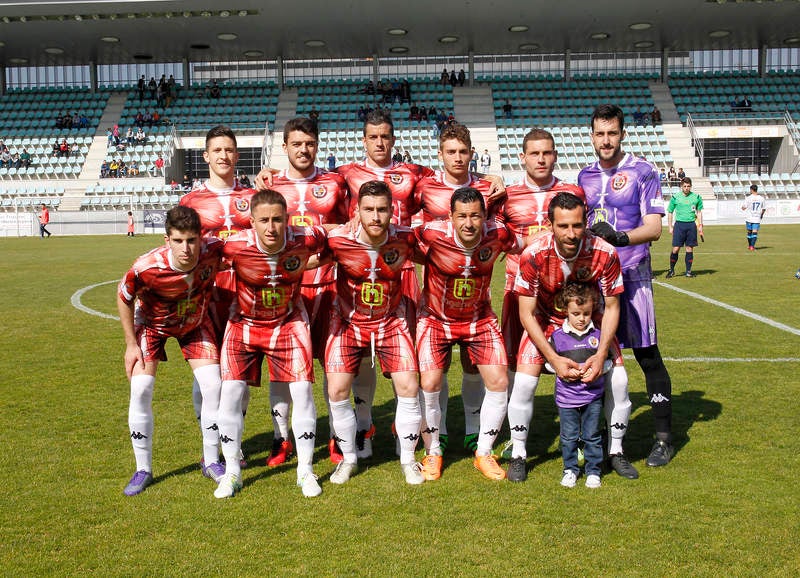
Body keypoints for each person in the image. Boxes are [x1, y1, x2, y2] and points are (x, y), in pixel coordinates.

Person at [578, 103, 674, 472]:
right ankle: (602, 442)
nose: (606, 140)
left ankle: (664, 439)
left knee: (648, 356)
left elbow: (653, 228)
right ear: (592, 136)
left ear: (622, 133)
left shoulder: (643, 171)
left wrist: (618, 237)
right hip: (598, 283)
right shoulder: (584, 175)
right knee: (597, 358)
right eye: (600, 134)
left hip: (633, 277)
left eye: (612, 133)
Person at [215, 190, 326, 498]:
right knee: (232, 394)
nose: (271, 227)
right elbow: (202, 255)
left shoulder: (304, 237)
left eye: (278, 219)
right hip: (244, 323)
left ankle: (305, 470)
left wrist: (311, 260)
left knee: (302, 390)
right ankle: (232, 473)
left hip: (288, 322)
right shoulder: (234, 245)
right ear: (252, 222)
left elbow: (330, 238)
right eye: (263, 220)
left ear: (287, 219)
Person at [512, 192, 624, 483]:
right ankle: (519, 455)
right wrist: (553, 357)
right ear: (550, 225)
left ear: (586, 221)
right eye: (563, 226)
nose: (571, 233)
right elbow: (526, 313)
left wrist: (600, 355)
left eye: (577, 225)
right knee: (523, 383)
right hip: (545, 321)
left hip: (590, 322)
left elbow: (612, 307)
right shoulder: (533, 254)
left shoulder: (605, 252)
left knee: (620, 381)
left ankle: (616, 452)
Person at [416, 187, 521, 481]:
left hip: (479, 318)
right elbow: (396, 240)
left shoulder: (497, 234)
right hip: (436, 319)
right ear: (451, 217)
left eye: (475, 215)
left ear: (485, 216)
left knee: (499, 380)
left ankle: (483, 452)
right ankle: (433, 451)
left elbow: (524, 241)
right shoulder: (431, 233)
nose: (469, 223)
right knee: (431, 381)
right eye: (462, 216)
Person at [117, 206, 224, 496]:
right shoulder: (145, 267)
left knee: (214, 387)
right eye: (178, 241)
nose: (186, 248)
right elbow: (123, 296)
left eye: (191, 240)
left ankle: (212, 461)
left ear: (201, 238)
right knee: (141, 389)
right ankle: (143, 469)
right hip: (152, 326)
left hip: (194, 325)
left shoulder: (214, 250)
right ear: (167, 240)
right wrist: (130, 344)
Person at [413, 122, 506, 454]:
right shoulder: (423, 187)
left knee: (472, 365)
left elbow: (503, 230)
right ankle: (432, 435)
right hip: (436, 292)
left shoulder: (488, 189)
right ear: (440, 154)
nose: (457, 158)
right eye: (450, 152)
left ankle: (472, 428)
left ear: (471, 154)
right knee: (435, 371)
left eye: (462, 152)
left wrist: (499, 181)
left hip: (476, 295)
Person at [324, 181, 424, 485]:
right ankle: (349, 459)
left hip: (390, 322)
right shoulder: (338, 240)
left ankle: (408, 459)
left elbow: (436, 253)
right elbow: (304, 253)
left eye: (382, 209)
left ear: (393, 212)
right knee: (337, 390)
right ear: (357, 211)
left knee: (409, 385)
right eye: (369, 209)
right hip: (347, 322)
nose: (376, 216)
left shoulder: (405, 239)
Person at [263, 117, 350, 467]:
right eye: (296, 144)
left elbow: (346, 229)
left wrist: (324, 230)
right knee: (282, 369)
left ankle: (336, 437)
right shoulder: (270, 188)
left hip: (329, 286)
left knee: (332, 366)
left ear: (317, 145)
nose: (304, 149)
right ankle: (280, 438)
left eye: (310, 143)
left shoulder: (335, 183)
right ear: (284, 146)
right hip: (287, 291)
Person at [500, 129, 585, 481]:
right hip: (517, 290)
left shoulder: (571, 193)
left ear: (555, 155)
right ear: (522, 157)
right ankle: (514, 438)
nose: (540, 159)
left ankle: (579, 436)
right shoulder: (504, 195)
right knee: (512, 366)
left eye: (547, 153)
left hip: (563, 296)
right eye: (534, 153)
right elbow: (497, 236)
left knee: (576, 363)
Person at [179, 125, 258, 468]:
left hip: (244, 297)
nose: (224, 156)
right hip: (206, 299)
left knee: (238, 378)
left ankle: (234, 442)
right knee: (207, 376)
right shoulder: (191, 202)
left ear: (236, 155)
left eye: (230, 150)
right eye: (218, 150)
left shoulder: (254, 196)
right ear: (206, 156)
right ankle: (210, 444)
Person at [550, 282, 612, 489]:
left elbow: (609, 361)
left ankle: (593, 470)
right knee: (568, 437)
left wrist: (597, 370)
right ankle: (570, 470)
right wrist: (564, 371)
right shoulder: (557, 337)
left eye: (586, 313)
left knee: (592, 435)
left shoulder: (598, 336)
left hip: (593, 397)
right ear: (566, 310)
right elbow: (549, 364)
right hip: (566, 399)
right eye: (576, 313)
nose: (581, 318)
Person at [666, 177, 703, 278]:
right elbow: (670, 212)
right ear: (681, 186)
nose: (686, 188)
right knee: (676, 249)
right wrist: (670, 226)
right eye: (685, 186)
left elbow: (699, 212)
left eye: (688, 186)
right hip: (679, 225)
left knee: (689, 248)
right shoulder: (675, 197)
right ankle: (672, 270)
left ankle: (688, 271)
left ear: (691, 186)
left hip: (691, 225)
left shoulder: (697, 197)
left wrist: (700, 225)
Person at [742, 184, 766, 251]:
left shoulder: (748, 198)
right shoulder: (761, 198)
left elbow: (743, 208)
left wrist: (743, 207)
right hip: (757, 218)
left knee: (749, 232)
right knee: (754, 232)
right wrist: (761, 215)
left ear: (752, 190)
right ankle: (751, 246)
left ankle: (750, 246)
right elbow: (764, 209)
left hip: (749, 218)